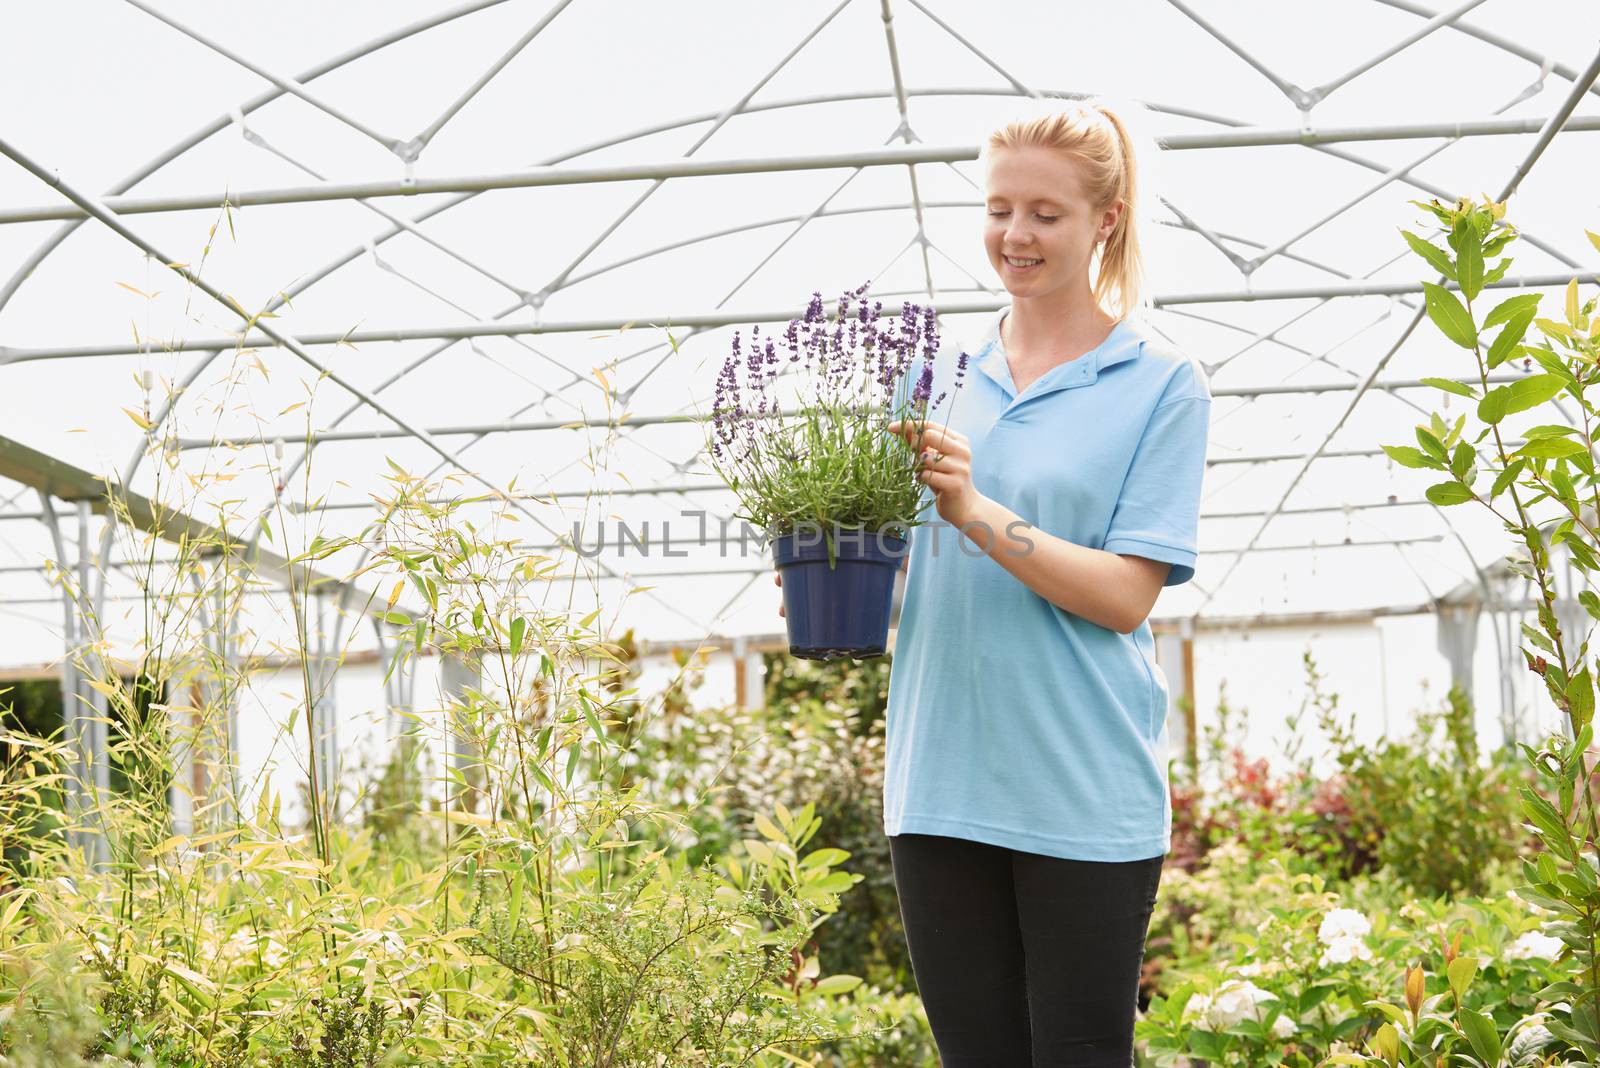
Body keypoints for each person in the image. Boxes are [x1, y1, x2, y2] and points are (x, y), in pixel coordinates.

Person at [779, 97, 1211, 1065]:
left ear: (1104, 219)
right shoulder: (931, 372)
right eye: (997, 208)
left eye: (1044, 214)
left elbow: (1125, 595)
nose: (1014, 235)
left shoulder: (1159, 384)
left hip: (1081, 790)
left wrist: (976, 512)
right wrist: (830, 579)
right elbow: (902, 571)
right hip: (940, 784)